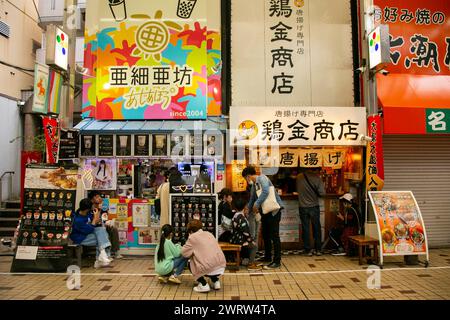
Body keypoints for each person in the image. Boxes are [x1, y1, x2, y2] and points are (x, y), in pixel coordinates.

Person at [242, 166, 284, 270]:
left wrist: (256, 204)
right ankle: (268, 256)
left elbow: (265, 191)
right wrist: (247, 208)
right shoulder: (253, 186)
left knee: (274, 236)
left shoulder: (262, 178)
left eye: (245, 178)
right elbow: (252, 200)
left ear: (248, 176)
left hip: (274, 211)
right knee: (265, 234)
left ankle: (277, 261)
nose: (246, 181)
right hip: (266, 212)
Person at [182, 219, 226, 293]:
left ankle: (203, 285)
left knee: (190, 262)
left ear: (190, 230)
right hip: (220, 265)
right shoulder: (209, 233)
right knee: (209, 259)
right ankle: (216, 281)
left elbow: (184, 253)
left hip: (208, 267)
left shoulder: (192, 238)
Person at [70, 198, 112, 268]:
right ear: (87, 209)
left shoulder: (87, 213)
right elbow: (88, 229)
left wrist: (98, 210)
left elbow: (97, 221)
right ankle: (102, 256)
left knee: (101, 231)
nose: (93, 207)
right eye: (92, 206)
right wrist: (94, 220)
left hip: (88, 234)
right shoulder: (77, 220)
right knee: (103, 237)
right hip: (80, 238)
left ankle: (101, 256)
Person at [296, 168, 326, 256]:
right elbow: (322, 193)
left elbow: (298, 189)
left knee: (305, 228)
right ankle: (318, 249)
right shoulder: (317, 178)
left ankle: (307, 250)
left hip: (302, 206)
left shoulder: (299, 177)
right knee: (316, 228)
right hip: (314, 207)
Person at [88, 191, 122, 259]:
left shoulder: (103, 208)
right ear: (92, 199)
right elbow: (92, 221)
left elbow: (104, 218)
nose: (100, 198)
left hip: (102, 226)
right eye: (97, 197)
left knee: (113, 229)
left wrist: (108, 222)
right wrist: (99, 209)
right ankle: (106, 254)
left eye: (100, 196)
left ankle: (116, 252)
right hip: (95, 228)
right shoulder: (89, 209)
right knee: (103, 231)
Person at [230, 197, 260, 270]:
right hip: (239, 240)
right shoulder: (241, 217)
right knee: (254, 246)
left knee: (251, 242)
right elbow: (245, 232)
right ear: (244, 207)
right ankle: (250, 264)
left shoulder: (236, 215)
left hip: (235, 238)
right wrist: (251, 241)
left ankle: (247, 261)